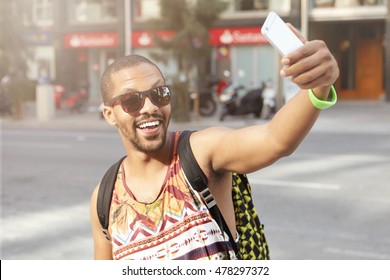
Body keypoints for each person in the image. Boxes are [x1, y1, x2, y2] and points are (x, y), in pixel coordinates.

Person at [90, 24, 339, 260]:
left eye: (159, 94)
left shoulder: (199, 153)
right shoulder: (105, 197)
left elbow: (275, 140)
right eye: (131, 101)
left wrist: (318, 87)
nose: (150, 107)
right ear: (110, 114)